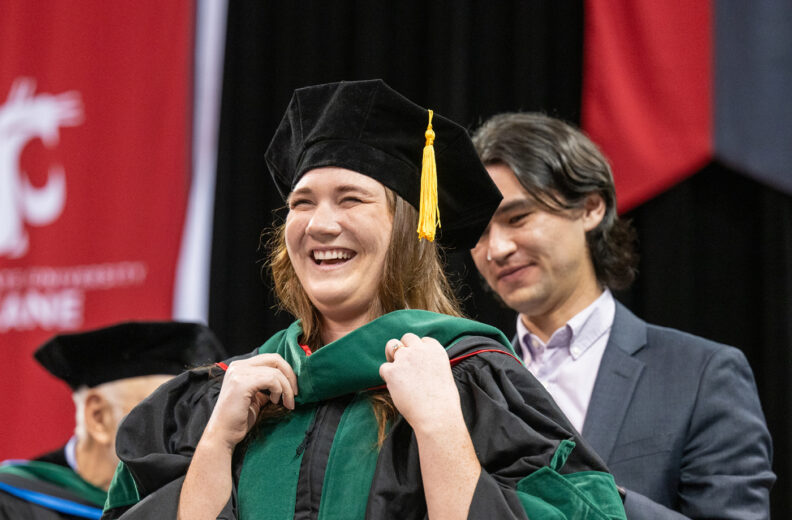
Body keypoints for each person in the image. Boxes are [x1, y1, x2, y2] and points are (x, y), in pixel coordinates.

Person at [101, 80, 626, 520]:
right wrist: (216, 445)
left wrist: (441, 428)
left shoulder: (474, 382)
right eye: (302, 203)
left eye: (351, 199)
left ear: (408, 230)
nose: (321, 224)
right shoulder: (217, 402)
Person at [470, 112, 775, 519]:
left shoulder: (701, 374)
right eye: (479, 233)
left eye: (518, 218)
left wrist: (593, 498)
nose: (497, 249)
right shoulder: (468, 378)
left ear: (591, 208)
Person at [0, 321, 228, 520]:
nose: (187, 435)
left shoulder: (197, 501)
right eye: (165, 415)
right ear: (98, 417)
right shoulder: (12, 501)